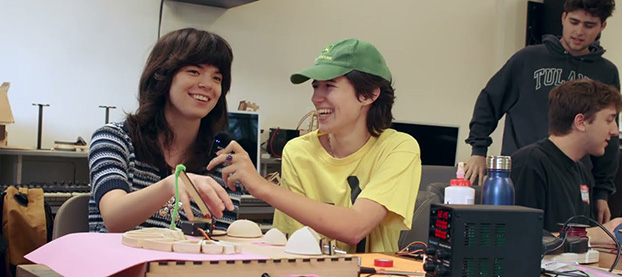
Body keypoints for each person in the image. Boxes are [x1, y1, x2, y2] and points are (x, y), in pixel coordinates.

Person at [208, 38, 421, 253]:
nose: (316, 97)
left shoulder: (398, 149)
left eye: (329, 86)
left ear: (369, 95)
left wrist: (261, 186)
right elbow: (297, 244)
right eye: (315, 86)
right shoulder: (297, 151)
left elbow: (356, 227)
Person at [464, 0, 618, 224]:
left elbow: (608, 133)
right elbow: (489, 101)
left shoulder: (606, 72)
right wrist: (478, 150)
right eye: (574, 22)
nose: (579, 31)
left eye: (589, 25)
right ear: (563, 18)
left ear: (602, 27)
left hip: (575, 178)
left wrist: (602, 192)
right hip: (526, 171)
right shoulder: (528, 59)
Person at [88, 28, 235, 233]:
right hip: (117, 263)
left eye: (217, 78)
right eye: (194, 71)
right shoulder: (115, 138)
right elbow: (113, 217)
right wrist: (170, 186)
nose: (206, 85)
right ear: (162, 76)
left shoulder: (222, 159)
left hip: (186, 265)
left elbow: (221, 240)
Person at [511, 79, 622, 238]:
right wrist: (595, 235)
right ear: (581, 122)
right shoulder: (529, 164)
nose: (615, 131)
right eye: (609, 120)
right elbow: (519, 238)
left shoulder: (581, 173)